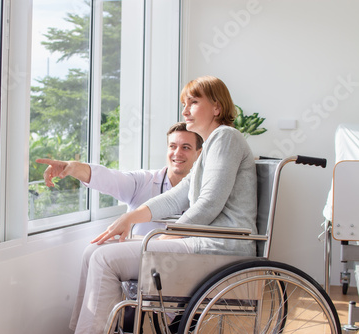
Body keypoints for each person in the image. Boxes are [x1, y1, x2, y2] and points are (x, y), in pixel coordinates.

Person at [69, 76, 258, 333]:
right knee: (94, 251)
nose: (184, 110)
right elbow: (177, 196)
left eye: (193, 102)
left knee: (104, 259)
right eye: (184, 103)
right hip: (204, 243)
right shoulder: (212, 146)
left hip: (220, 248)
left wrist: (168, 234)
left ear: (216, 107)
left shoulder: (226, 138)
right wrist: (130, 218)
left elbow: (210, 203)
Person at [36, 122, 203, 236]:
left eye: (186, 147)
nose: (177, 153)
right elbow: (109, 178)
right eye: (172, 146)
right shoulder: (143, 181)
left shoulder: (207, 191)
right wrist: (72, 167)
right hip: (138, 260)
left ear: (199, 153)